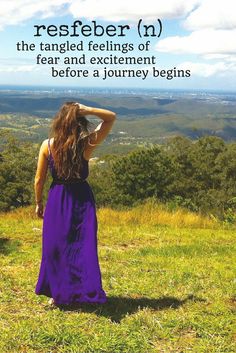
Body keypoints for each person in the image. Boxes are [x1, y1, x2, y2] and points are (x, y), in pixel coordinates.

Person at [34, 101, 116, 306]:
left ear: (59, 122)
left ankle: (57, 293)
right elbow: (110, 117)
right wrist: (86, 109)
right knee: (82, 244)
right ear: (80, 122)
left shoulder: (47, 145)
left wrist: (38, 202)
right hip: (81, 197)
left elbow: (39, 180)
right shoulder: (86, 145)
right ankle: (82, 290)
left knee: (55, 245)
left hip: (57, 197)